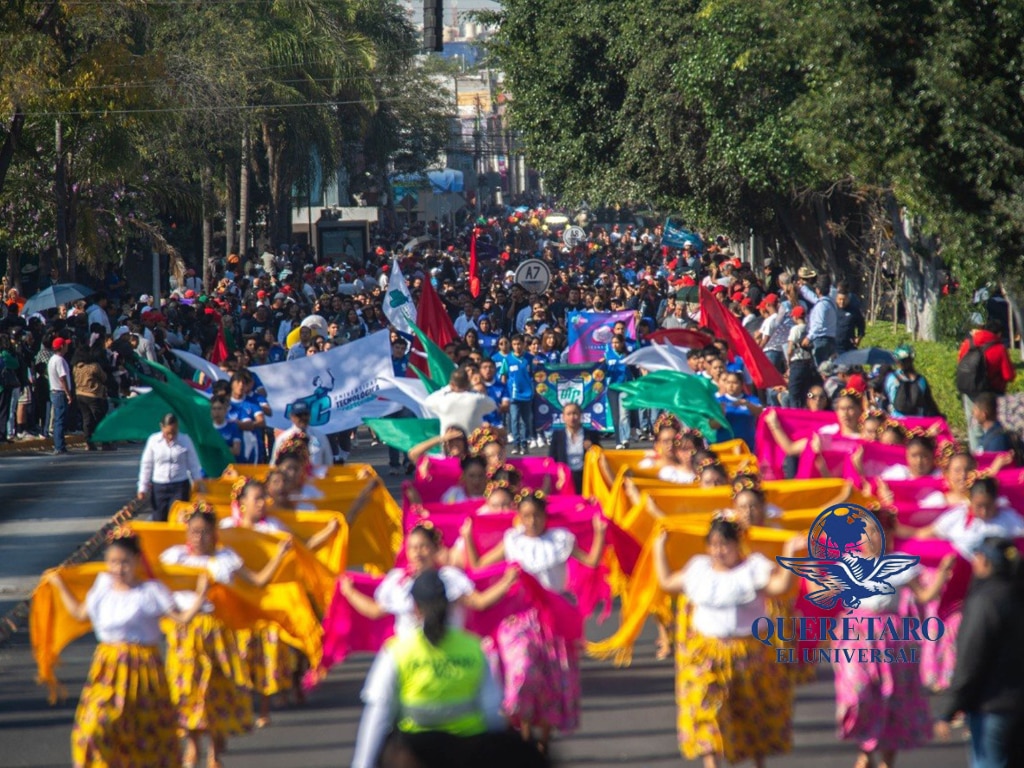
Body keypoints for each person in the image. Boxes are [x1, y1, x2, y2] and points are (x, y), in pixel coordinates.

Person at [46, 526, 207, 768]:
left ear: (136, 561)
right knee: (93, 727)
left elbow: (181, 618)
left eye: (124, 563)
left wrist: (202, 594)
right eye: (112, 562)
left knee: (146, 733)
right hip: (108, 667)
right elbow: (80, 613)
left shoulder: (151, 591)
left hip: (143, 669)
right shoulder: (102, 587)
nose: (118, 569)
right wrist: (59, 584)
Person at [351, 570, 543, 768]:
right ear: (448, 605)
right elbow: (492, 712)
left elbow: (378, 713)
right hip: (468, 750)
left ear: (415, 608)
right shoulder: (474, 648)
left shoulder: (397, 651)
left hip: (414, 751)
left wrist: (362, 764)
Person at [463, 491, 607, 752]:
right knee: (523, 670)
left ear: (544, 517)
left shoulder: (561, 540)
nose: (531, 521)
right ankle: (524, 731)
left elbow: (592, 560)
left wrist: (599, 533)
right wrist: (467, 537)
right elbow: (478, 565)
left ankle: (543, 737)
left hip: (555, 619)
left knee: (553, 679)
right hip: (519, 619)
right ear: (519, 517)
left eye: (536, 516)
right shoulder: (513, 541)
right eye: (526, 516)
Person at [654, 516, 799, 768]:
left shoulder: (753, 569)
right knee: (707, 714)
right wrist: (659, 547)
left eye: (724, 545)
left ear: (737, 544)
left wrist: (791, 553)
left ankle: (758, 762)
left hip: (749, 655)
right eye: (713, 545)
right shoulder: (698, 569)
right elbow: (667, 581)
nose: (718, 551)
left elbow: (781, 586)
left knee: (752, 715)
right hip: (707, 656)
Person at [160, 503, 293, 767]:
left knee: (214, 692)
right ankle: (192, 745)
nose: (199, 538)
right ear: (186, 532)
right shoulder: (174, 558)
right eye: (194, 532)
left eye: (205, 532)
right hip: (184, 635)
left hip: (218, 634)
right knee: (186, 690)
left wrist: (279, 555)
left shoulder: (225, 559)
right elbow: (154, 585)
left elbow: (256, 581)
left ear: (215, 534)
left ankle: (213, 751)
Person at [829, 510, 955, 768]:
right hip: (857, 636)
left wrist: (942, 574)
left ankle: (886, 758)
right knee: (859, 694)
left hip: (892, 638)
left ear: (887, 535)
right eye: (865, 532)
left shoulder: (901, 563)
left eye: (876, 532)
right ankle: (865, 748)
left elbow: (924, 596)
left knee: (892, 697)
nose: (869, 537)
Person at [935, 537, 1024, 768]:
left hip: (992, 705)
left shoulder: (984, 602)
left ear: (985, 562)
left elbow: (970, 659)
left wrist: (949, 708)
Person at [958, 320, 1016, 452]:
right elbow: (1008, 375)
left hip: (969, 391)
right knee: (993, 426)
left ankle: (976, 456)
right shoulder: (999, 348)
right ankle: (991, 454)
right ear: (999, 334)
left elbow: (960, 361)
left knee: (973, 426)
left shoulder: (968, 343)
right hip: (991, 394)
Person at [137, 413, 203, 522]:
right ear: (161, 427)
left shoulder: (185, 440)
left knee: (179, 519)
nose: (171, 436)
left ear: (177, 427)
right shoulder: (153, 441)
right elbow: (146, 465)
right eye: (168, 433)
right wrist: (142, 488)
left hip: (179, 486)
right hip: (159, 487)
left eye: (174, 432)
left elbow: (194, 465)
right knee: (159, 519)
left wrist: (198, 483)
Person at [548, 402, 602, 493]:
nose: (572, 417)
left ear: (580, 415)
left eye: (575, 413)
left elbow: (600, 454)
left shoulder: (590, 434)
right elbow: (551, 458)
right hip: (565, 477)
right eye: (568, 414)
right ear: (563, 417)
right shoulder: (557, 435)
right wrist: (559, 471)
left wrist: (592, 447)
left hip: (585, 475)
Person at [271, 399, 333, 468]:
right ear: (292, 417)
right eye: (299, 415)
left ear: (310, 415)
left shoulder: (320, 437)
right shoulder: (283, 439)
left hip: (316, 478)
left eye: (305, 414)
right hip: (292, 478)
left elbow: (329, 464)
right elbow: (274, 465)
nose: (303, 418)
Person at [885, 345, 940, 418]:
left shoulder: (891, 378)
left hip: (897, 421)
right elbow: (929, 402)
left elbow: (887, 398)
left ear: (897, 361)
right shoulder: (921, 380)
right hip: (917, 422)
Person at [47, 336, 73, 455]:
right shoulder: (59, 360)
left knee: (59, 419)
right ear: (62, 347)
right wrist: (68, 393)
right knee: (60, 420)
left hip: (55, 391)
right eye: (66, 345)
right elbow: (62, 378)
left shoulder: (52, 359)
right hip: (60, 392)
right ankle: (59, 446)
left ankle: (60, 445)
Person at [786, 306, 814, 406]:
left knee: (794, 393)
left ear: (796, 317)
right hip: (809, 364)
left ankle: (795, 416)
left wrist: (788, 362)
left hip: (797, 363)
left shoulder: (795, 329)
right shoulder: (810, 329)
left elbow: (790, 349)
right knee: (805, 394)